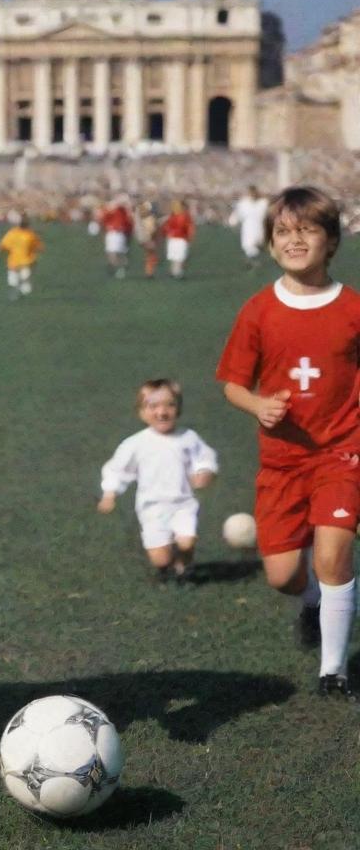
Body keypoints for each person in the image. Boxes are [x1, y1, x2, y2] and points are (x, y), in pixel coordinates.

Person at [217, 186, 359, 698]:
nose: (294, 240)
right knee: (282, 575)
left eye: (307, 230)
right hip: (281, 462)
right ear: (271, 246)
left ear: (332, 241)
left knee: (334, 553)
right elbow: (233, 383)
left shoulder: (352, 308)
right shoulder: (258, 311)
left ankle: (333, 671)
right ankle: (312, 602)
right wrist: (258, 405)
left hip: (342, 453)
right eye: (283, 232)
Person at [97, 379, 218, 582]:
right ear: (142, 413)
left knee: (187, 542)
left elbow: (204, 458)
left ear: (178, 409)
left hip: (183, 503)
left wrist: (204, 472)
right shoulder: (136, 443)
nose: (162, 412)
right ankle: (166, 566)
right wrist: (110, 493)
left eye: (169, 405)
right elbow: (117, 469)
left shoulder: (188, 438)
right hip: (152, 507)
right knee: (160, 560)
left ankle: (184, 565)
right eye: (153, 406)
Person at [0, 212, 43, 300]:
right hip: (18, 262)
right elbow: (3, 245)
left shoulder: (27, 234)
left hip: (22, 261)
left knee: (23, 280)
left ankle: (20, 293)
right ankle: (17, 294)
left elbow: (2, 245)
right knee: (15, 281)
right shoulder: (20, 234)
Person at [229, 185, 268, 268]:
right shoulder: (243, 204)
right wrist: (233, 222)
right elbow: (237, 215)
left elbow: (268, 215)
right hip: (248, 228)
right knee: (248, 245)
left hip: (260, 228)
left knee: (258, 245)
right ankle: (253, 262)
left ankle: (254, 261)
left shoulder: (263, 203)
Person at [100, 197, 133, 278]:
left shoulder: (122, 211)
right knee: (111, 253)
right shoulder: (110, 210)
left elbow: (128, 223)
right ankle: (119, 267)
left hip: (118, 232)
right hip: (111, 232)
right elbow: (103, 219)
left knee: (116, 253)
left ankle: (121, 268)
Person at [161, 199, 194, 279]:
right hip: (178, 238)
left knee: (176, 256)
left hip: (176, 238)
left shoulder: (176, 216)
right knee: (177, 256)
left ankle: (175, 271)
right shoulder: (181, 216)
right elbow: (189, 228)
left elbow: (166, 227)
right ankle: (176, 272)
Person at [134, 200, 159, 279]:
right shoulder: (149, 218)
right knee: (151, 255)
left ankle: (149, 272)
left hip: (142, 239)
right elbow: (152, 230)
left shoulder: (140, 218)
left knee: (150, 255)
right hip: (148, 239)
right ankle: (149, 272)